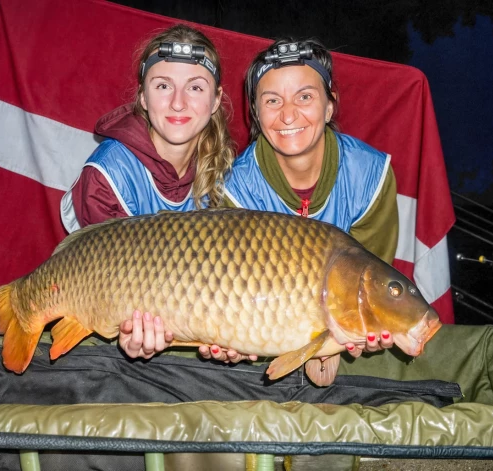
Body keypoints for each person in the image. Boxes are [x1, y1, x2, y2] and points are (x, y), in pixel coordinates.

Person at [122, 38, 397, 380]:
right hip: (266, 334)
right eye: (272, 100)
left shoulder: (371, 176)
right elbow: (218, 296)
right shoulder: (235, 189)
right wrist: (226, 341)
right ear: (256, 112)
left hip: (330, 326)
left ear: (329, 105)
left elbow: (370, 276)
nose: (288, 114)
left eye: (305, 96)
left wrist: (364, 323)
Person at [60, 24, 234, 231]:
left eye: (195, 87)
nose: (178, 103)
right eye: (163, 86)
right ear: (143, 97)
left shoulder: (226, 169)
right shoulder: (108, 176)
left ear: (216, 100)